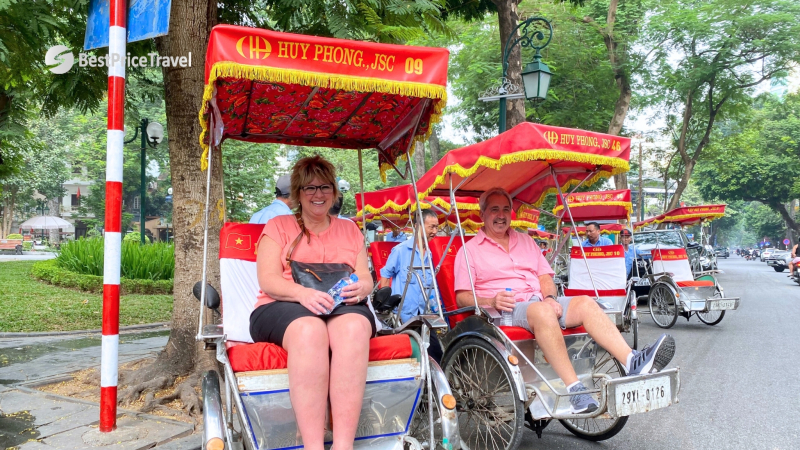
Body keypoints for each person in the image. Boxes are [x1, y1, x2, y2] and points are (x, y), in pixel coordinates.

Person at [454, 187, 676, 414]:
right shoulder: (469, 250)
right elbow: (461, 297)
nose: (501, 215)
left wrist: (550, 297)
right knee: (541, 311)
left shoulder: (526, 241)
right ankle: (574, 391)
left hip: (538, 301)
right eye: (494, 210)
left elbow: (544, 278)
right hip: (505, 310)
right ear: (482, 214)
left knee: (586, 303)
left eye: (505, 209)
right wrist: (491, 300)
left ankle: (632, 361)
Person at [251, 155, 375, 450]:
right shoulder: (278, 226)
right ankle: (313, 445)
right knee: (310, 331)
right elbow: (268, 280)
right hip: (282, 304)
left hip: (340, 305)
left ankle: (344, 445)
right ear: (298, 193)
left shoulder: (349, 229)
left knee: (355, 329)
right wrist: (302, 294)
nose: (318, 195)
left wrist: (362, 289)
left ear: (334, 191)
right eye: (310, 188)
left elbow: (365, 277)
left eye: (324, 187)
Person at [379, 209, 440, 323]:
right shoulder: (400, 251)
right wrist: (386, 305)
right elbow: (386, 275)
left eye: (437, 227)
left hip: (425, 313)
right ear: (417, 227)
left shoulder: (430, 254)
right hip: (403, 316)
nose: (435, 231)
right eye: (431, 227)